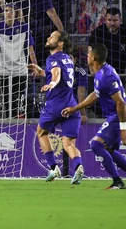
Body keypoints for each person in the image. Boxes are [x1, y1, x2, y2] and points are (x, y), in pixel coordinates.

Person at [62, 44, 126, 190]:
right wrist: (75, 108)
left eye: (89, 53)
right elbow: (95, 95)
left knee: (96, 145)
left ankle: (117, 181)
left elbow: (121, 104)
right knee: (109, 150)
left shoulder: (106, 76)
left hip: (117, 116)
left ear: (94, 57)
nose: (87, 55)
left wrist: (123, 129)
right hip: (114, 115)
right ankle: (118, 181)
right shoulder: (101, 73)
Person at [28, 31, 83, 183]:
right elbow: (57, 73)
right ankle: (78, 165)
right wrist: (42, 72)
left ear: (60, 43)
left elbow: (56, 74)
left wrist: (51, 83)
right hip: (71, 105)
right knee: (68, 143)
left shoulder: (52, 58)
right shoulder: (68, 59)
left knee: (41, 132)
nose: (48, 38)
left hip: (55, 105)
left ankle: (53, 168)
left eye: (52, 37)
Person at [0, 4, 37, 118]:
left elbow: (30, 48)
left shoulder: (24, 27)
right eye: (6, 11)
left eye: (11, 11)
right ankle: (10, 121)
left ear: (15, 13)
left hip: (20, 69)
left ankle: (23, 121)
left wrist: (35, 66)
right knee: (8, 99)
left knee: (22, 99)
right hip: (4, 69)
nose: (8, 13)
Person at [89, 8, 126, 74]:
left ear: (120, 21)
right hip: (102, 73)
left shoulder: (124, 31)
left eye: (115, 20)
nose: (112, 23)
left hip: (122, 72)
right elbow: (90, 52)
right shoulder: (98, 32)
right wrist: (94, 73)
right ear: (105, 20)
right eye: (109, 20)